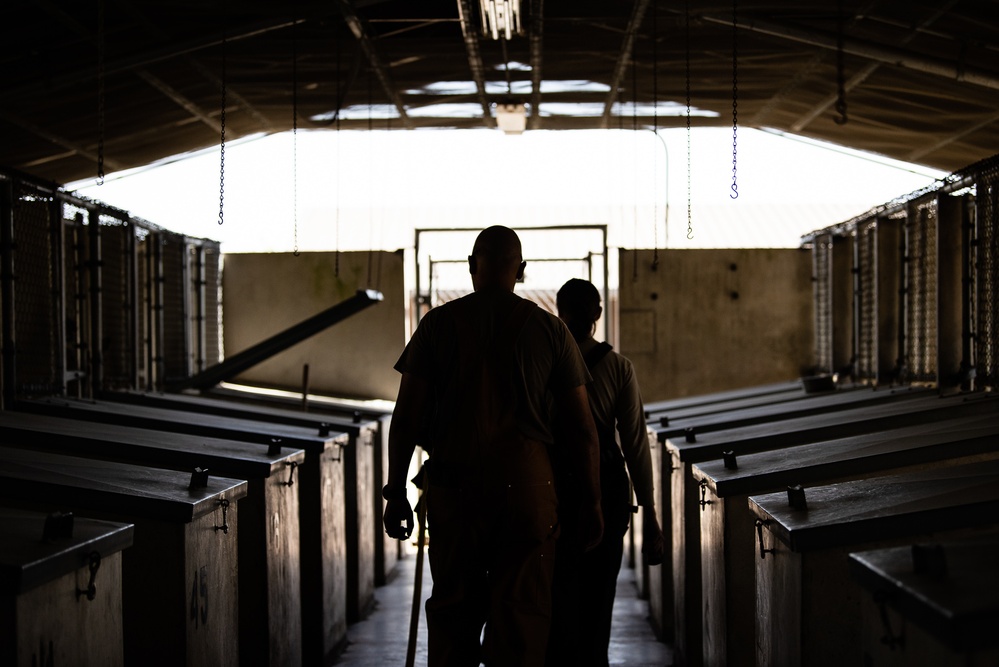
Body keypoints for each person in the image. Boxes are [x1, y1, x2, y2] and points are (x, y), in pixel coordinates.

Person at [382, 226, 604, 667]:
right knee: (521, 627)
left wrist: (395, 493)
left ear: (471, 267)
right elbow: (583, 429)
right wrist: (593, 502)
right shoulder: (551, 331)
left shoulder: (437, 326)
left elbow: (405, 417)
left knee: (453, 621)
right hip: (527, 493)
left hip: (455, 495)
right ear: (520, 271)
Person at [546, 278, 666, 667]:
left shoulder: (544, 362)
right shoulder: (618, 367)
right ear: (598, 313)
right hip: (609, 490)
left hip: (554, 490)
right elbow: (634, 443)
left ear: (558, 313)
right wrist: (649, 513)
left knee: (556, 593)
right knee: (598, 597)